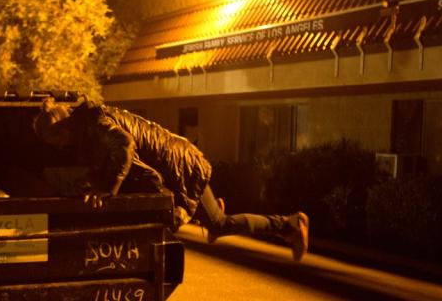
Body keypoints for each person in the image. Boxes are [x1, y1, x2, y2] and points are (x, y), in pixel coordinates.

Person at [33, 97, 310, 261]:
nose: (57, 147)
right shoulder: (87, 131)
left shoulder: (95, 123)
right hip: (178, 166)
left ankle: (290, 224)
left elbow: (127, 150)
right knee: (216, 224)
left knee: (218, 226)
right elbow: (108, 163)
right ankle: (217, 211)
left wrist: (109, 188)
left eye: (53, 140)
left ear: (62, 128)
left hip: (182, 168)